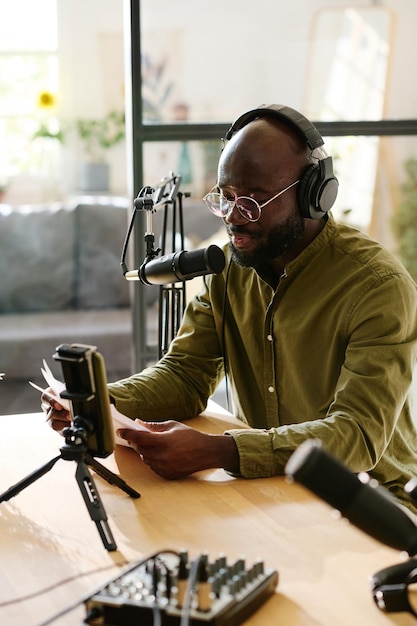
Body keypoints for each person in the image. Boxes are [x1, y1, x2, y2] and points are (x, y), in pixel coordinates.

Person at [44, 104, 417, 511]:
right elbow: (186, 376)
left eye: (253, 201)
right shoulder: (227, 267)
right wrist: (100, 402)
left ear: (314, 195)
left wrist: (222, 451)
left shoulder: (379, 287)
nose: (233, 218)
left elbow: (357, 436)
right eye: (225, 197)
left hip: (370, 501)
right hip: (271, 490)